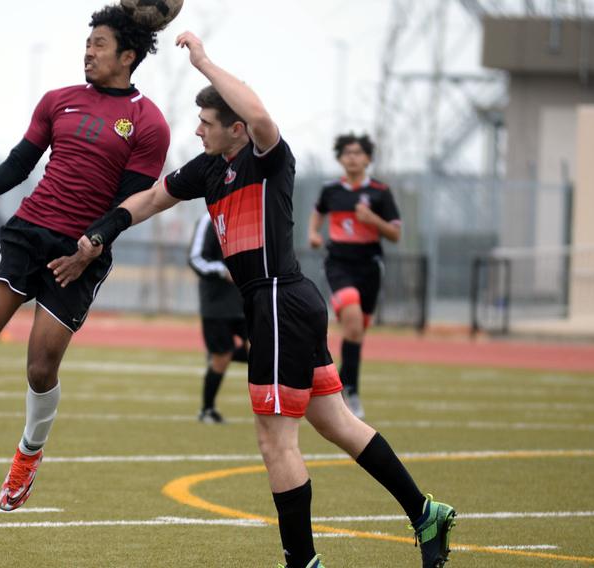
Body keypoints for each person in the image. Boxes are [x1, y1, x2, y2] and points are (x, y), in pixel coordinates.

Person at [50, 32, 455, 568]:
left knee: (275, 443)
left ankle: (303, 562)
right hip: (281, 305)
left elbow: (260, 114)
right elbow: (149, 198)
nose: (196, 129)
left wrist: (204, 62)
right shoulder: (208, 169)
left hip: (279, 304)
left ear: (235, 128)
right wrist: (101, 231)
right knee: (335, 422)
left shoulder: (267, 157)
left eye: (207, 123)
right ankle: (425, 512)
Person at [0, 5, 170, 513]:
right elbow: (20, 163)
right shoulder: (59, 100)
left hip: (82, 251)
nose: (88, 51)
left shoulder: (149, 123)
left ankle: (28, 456)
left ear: (128, 55)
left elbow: (132, 202)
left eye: (99, 44)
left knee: (40, 367)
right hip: (27, 232)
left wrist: (89, 249)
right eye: (88, 42)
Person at [308, 134, 401, 419]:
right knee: (350, 316)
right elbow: (318, 213)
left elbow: (396, 234)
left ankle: (341, 383)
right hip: (339, 263)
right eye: (347, 153)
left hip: (369, 266)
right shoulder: (331, 190)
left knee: (356, 332)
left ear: (368, 159)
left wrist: (372, 220)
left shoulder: (380, 192)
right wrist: (313, 233)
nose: (352, 157)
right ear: (339, 158)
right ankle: (352, 392)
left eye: (358, 153)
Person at [188, 213, 248, 423]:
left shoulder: (250, 217)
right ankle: (207, 410)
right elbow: (196, 259)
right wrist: (224, 271)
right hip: (217, 305)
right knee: (221, 358)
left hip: (248, 301)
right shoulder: (208, 219)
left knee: (265, 349)